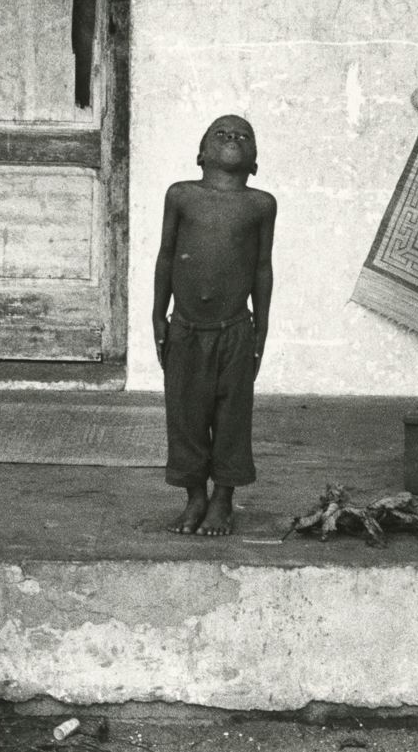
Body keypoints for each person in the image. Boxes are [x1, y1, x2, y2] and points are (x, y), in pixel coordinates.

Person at [151, 115, 277, 537]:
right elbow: (166, 256)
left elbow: (262, 268)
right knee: (185, 417)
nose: (232, 138)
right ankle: (194, 497)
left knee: (232, 418)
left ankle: (223, 498)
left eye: (243, 136)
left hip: (236, 332)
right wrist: (157, 317)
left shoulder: (261, 204)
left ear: (255, 161)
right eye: (220, 134)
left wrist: (261, 330)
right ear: (201, 153)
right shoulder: (181, 196)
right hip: (185, 329)